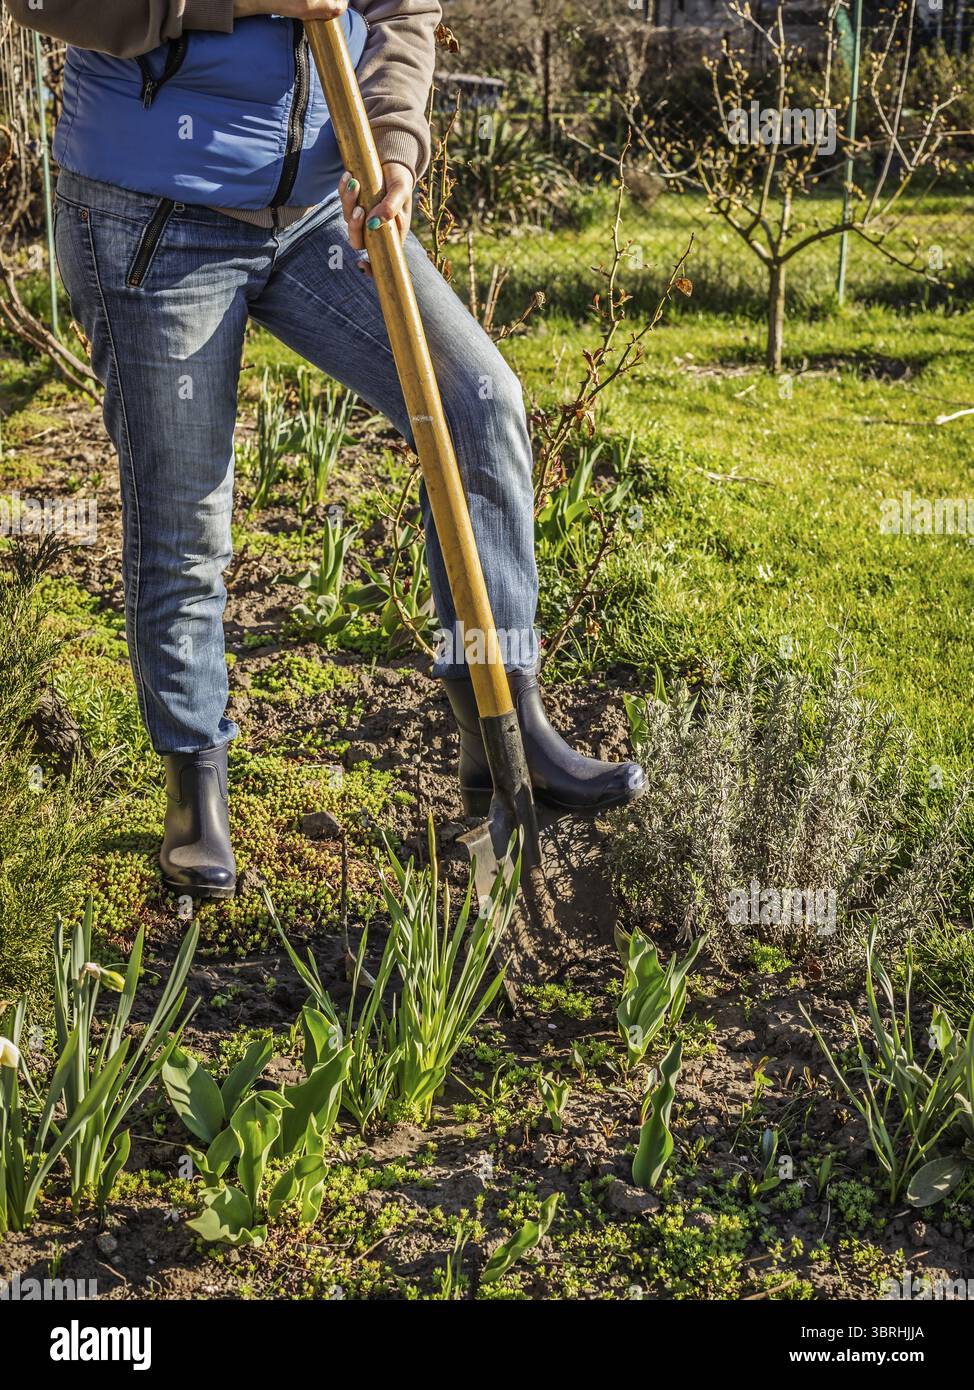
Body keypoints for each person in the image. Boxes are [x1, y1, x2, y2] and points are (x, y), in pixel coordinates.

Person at [9, 0, 645, 899]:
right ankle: (196, 789)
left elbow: (401, 7)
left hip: (322, 205)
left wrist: (391, 143)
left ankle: (503, 727)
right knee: (187, 511)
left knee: (480, 404)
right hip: (153, 208)